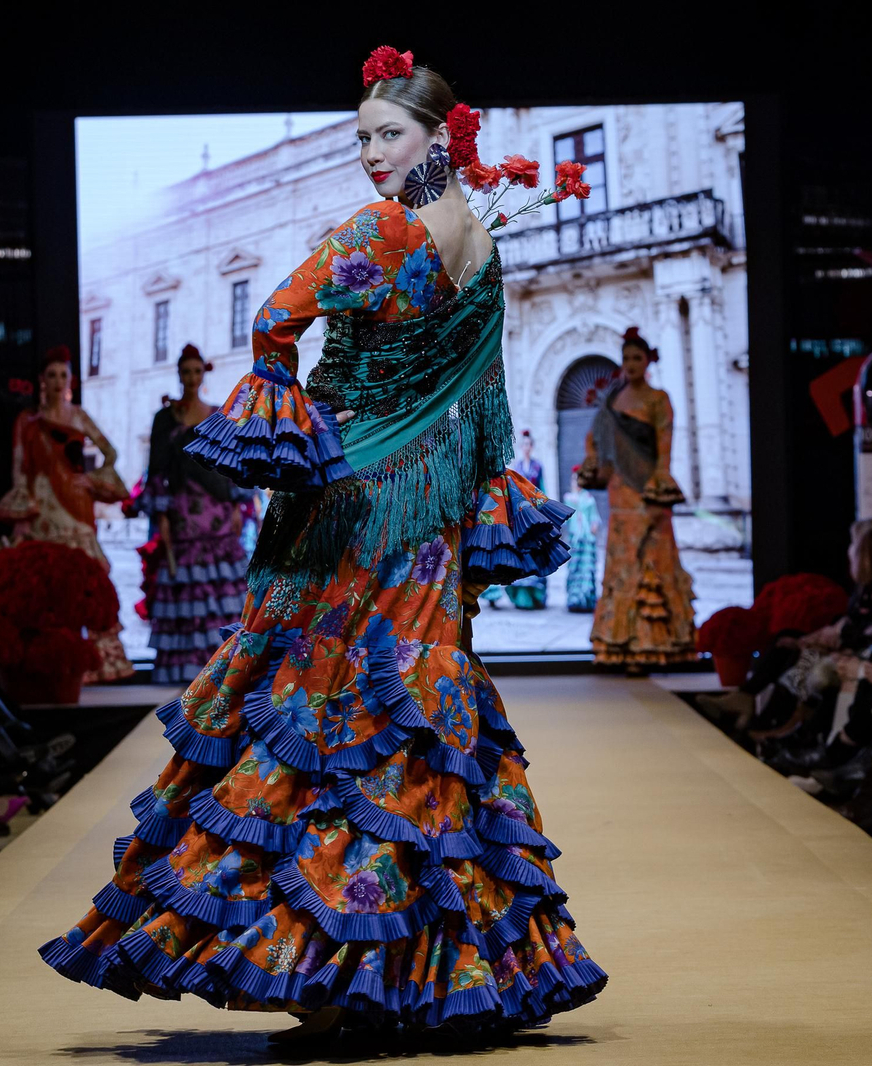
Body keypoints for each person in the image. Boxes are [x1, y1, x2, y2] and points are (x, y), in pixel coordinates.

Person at [38, 48, 602, 1043]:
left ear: (439, 134)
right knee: (416, 719)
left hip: (350, 509)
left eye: (389, 134)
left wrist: (308, 420)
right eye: (362, 138)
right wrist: (472, 499)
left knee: (322, 709)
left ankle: (320, 963)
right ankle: (426, 967)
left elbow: (271, 322)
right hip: (433, 519)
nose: (372, 154)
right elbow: (486, 401)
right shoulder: (482, 245)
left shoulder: (379, 230)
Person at [0, 346, 135, 683]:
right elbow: (19, 469)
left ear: (70, 380)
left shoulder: (79, 416)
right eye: (52, 375)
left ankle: (98, 665)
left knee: (87, 582)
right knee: (49, 588)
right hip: (42, 510)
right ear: (42, 380)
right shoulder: (27, 421)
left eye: (63, 376)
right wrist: (22, 513)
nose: (58, 381)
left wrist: (91, 480)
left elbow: (110, 452)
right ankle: (54, 665)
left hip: (75, 506)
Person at [582, 326, 696, 673]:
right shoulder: (613, 400)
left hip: (647, 494)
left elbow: (665, 446)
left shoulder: (658, 400)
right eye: (626, 358)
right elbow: (595, 440)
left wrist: (659, 488)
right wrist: (594, 463)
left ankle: (657, 647)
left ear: (648, 361)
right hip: (620, 496)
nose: (631, 364)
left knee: (652, 563)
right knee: (622, 566)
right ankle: (620, 648)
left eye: (637, 358)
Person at [143, 346, 251, 685]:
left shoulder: (218, 414)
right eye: (186, 372)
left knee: (220, 587)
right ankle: (187, 674)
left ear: (203, 373)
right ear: (179, 374)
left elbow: (230, 464)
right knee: (186, 584)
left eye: (196, 371)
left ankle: (222, 669)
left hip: (216, 512)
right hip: (182, 513)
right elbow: (156, 470)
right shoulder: (165, 418)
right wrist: (161, 514)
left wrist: (236, 506)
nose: (191, 378)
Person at [481, 430, 548, 610]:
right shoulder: (517, 467)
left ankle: (535, 595)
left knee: (535, 548)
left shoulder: (537, 467)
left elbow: (541, 488)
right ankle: (521, 597)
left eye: (528, 444)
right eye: (523, 444)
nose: (526, 447)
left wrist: (543, 507)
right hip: (520, 513)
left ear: (532, 446)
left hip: (533, 510)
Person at [562, 466, 601, 613]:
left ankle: (586, 600)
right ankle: (574, 599)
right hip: (575, 539)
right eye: (574, 479)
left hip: (587, 538)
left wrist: (594, 525)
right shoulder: (568, 498)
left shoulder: (589, 498)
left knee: (586, 569)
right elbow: (564, 518)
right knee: (575, 568)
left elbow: (594, 516)